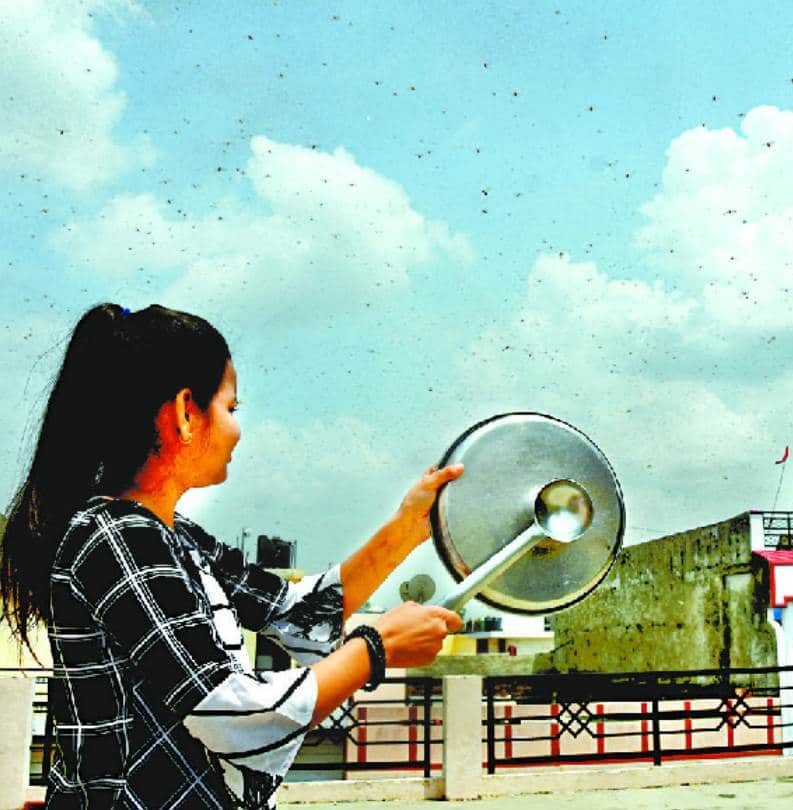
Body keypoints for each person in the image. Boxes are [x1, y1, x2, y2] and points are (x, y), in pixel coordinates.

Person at [0, 304, 465, 808]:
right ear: (184, 412)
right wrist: (376, 647)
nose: (237, 430)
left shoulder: (176, 537)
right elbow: (229, 713)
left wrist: (404, 531)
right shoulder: (115, 537)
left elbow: (298, 614)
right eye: (231, 408)